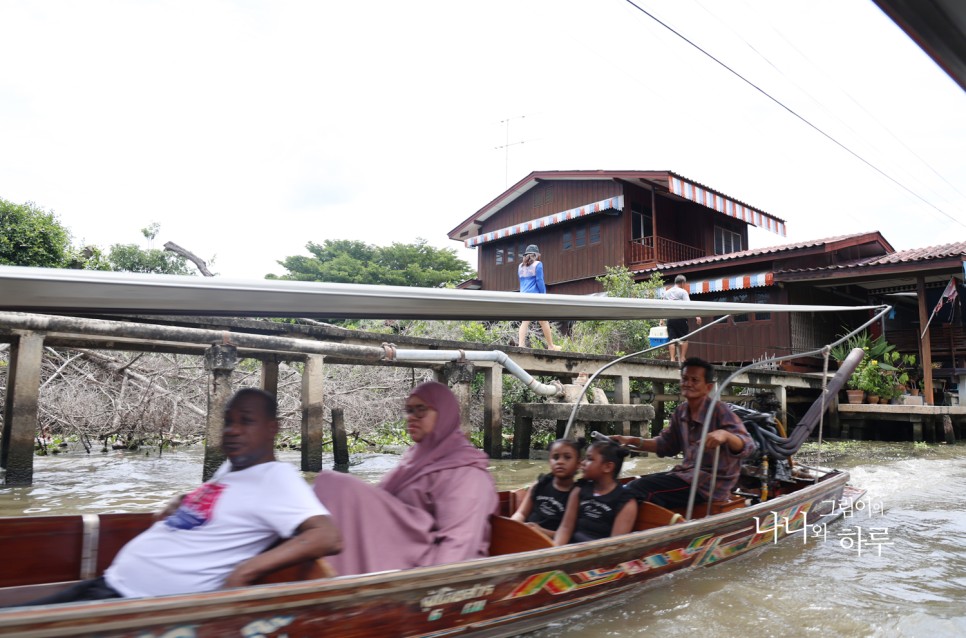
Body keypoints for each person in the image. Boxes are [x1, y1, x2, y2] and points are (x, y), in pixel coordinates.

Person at [19, 389, 342, 605]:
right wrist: (180, 502)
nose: (232, 429)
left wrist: (247, 569)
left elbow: (327, 537)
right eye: (228, 421)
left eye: (246, 421)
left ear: (272, 428)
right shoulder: (230, 469)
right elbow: (218, 513)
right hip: (112, 585)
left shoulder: (277, 478)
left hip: (141, 607)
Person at [312, 381, 497, 576]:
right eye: (409, 411)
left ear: (444, 414)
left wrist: (426, 587)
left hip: (426, 566)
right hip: (396, 546)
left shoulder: (466, 472)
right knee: (332, 484)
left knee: (339, 485)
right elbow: (384, 502)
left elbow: (460, 543)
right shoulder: (415, 458)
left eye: (421, 410)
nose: (412, 418)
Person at [613, 358, 755, 509]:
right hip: (685, 476)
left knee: (638, 488)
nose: (688, 383)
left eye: (694, 380)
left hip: (709, 484)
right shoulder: (681, 412)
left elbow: (748, 446)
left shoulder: (719, 411)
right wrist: (630, 441)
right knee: (625, 485)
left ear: (708, 387)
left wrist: (725, 435)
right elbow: (665, 445)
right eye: (685, 379)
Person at [553, 440, 637, 545]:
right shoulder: (579, 489)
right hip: (571, 549)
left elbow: (616, 545)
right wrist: (556, 551)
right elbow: (565, 528)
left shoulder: (625, 501)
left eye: (589, 459)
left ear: (607, 467)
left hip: (601, 554)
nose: (582, 463)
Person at [511, 438, 581, 537]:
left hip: (550, 543)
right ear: (549, 461)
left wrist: (541, 531)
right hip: (526, 533)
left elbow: (567, 533)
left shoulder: (576, 495)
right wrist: (513, 526)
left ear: (578, 463)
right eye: (555, 457)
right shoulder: (540, 484)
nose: (560, 462)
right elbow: (521, 513)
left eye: (567, 457)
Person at [517, 244, 561, 350]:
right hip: (535, 297)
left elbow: (521, 282)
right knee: (544, 321)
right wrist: (543, 296)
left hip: (523, 296)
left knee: (525, 322)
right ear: (536, 255)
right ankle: (551, 346)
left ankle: (521, 345)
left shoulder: (520, 266)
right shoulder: (538, 264)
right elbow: (540, 281)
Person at [664, 274, 701, 363]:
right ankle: (682, 357)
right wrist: (697, 316)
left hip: (670, 318)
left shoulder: (667, 292)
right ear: (683, 282)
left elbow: (663, 306)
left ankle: (672, 358)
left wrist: (661, 319)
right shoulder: (683, 292)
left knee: (671, 339)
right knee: (684, 338)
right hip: (680, 318)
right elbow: (689, 305)